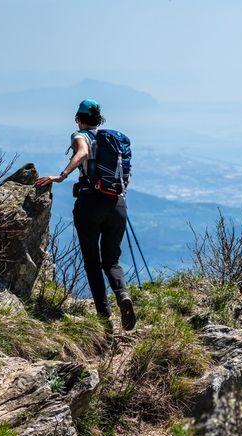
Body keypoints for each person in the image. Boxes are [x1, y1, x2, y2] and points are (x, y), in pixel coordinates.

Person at [36, 99, 137, 331]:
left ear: (79, 118)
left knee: (92, 262)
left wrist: (61, 175)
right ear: (99, 119)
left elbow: (82, 153)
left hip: (90, 203)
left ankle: (105, 317)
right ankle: (122, 295)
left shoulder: (81, 135)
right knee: (111, 261)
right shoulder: (113, 141)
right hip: (117, 205)